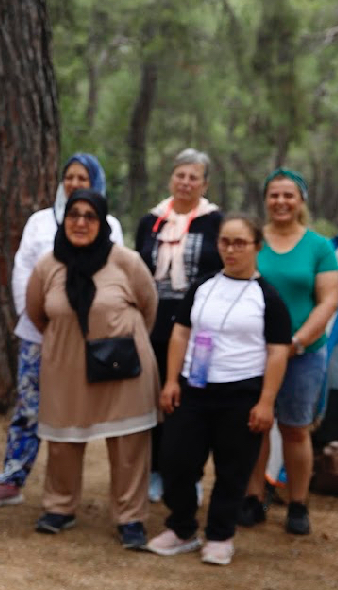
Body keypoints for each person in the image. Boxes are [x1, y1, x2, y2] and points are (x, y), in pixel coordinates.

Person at [0, 152, 126, 509]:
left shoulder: (111, 225)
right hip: (38, 333)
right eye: (69, 177)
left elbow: (112, 276)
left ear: (95, 185)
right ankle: (11, 479)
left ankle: (90, 493)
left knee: (88, 412)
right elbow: (22, 271)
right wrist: (39, 316)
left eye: (82, 179)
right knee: (28, 409)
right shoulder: (40, 223)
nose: (74, 184)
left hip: (88, 337)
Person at [147, 215, 291, 566]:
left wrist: (266, 402)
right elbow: (181, 332)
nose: (230, 249)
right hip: (194, 387)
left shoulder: (268, 298)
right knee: (176, 460)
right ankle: (181, 528)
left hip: (241, 392)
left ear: (257, 247)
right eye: (225, 242)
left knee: (232, 468)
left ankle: (220, 535)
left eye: (240, 243)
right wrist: (170, 381)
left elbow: (278, 351)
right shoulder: (202, 286)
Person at [24, 189, 159, 549]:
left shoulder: (125, 261)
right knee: (64, 441)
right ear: (63, 219)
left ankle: (130, 517)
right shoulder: (48, 264)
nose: (81, 222)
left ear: (102, 223)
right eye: (73, 215)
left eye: (90, 216)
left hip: (124, 365)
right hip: (66, 365)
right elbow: (37, 313)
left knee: (129, 442)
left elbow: (149, 307)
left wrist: (118, 337)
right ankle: (59, 507)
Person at [238, 168, 338, 535]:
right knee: (255, 425)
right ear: (265, 200)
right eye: (274, 195)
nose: (281, 202)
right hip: (253, 353)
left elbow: (329, 302)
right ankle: (253, 496)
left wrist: (296, 342)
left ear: (301, 201)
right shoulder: (252, 241)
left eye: (288, 195)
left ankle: (298, 504)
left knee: (295, 430)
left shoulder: (319, 247)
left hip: (303, 354)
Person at [135, 148, 223, 503]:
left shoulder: (214, 222)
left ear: (205, 183)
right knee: (154, 399)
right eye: (180, 175)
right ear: (171, 178)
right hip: (154, 324)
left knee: (191, 402)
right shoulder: (151, 221)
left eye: (194, 177)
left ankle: (191, 474)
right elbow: (139, 270)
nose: (186, 183)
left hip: (198, 327)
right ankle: (155, 469)